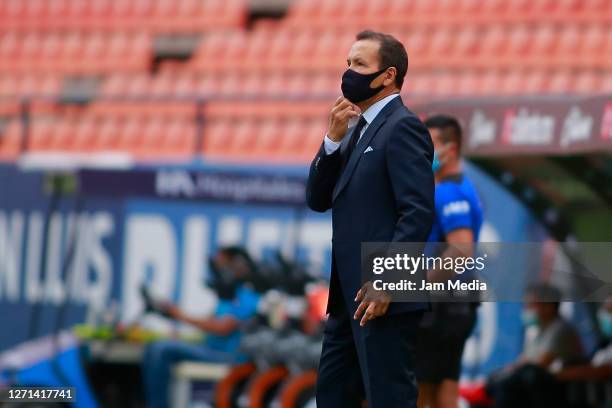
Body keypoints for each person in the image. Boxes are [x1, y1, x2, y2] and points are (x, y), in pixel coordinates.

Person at [307, 30, 435, 407]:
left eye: (360, 64)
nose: (349, 72)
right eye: (348, 63)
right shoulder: (354, 129)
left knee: (388, 397)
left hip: (383, 291)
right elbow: (316, 199)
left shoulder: (403, 126)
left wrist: (388, 282)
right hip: (349, 294)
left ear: (388, 75)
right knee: (332, 395)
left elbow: (417, 211)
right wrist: (331, 141)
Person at [416, 115, 483, 408]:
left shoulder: (448, 192)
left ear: (450, 149)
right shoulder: (463, 187)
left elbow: (460, 250)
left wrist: (417, 288)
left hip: (443, 304)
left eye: (428, 145)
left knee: (422, 385)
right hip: (457, 302)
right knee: (443, 380)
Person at [141, 247, 260, 408]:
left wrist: (179, 315)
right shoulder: (227, 295)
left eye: (223, 265)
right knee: (153, 347)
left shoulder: (248, 296)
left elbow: (222, 328)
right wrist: (173, 318)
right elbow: (209, 323)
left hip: (228, 357)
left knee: (160, 350)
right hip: (210, 349)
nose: (218, 270)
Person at [487, 283, 584, 408]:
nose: (526, 309)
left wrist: (515, 370)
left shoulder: (560, 329)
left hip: (557, 391)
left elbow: (541, 363)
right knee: (498, 379)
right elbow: (524, 360)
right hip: (537, 387)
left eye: (531, 305)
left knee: (513, 382)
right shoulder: (537, 330)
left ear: (548, 307)